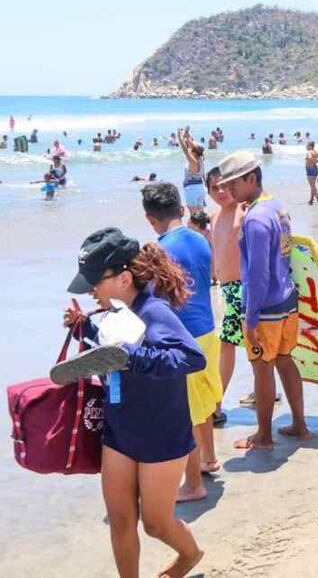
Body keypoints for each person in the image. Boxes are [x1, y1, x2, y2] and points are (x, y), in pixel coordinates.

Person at [63, 228, 206, 578]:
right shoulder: (114, 313)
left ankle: (190, 555)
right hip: (120, 431)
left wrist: (130, 356)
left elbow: (192, 358)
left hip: (161, 434)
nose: (91, 292)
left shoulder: (155, 311)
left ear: (124, 278)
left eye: (95, 283)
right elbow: (115, 345)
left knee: (155, 525)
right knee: (121, 521)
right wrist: (87, 331)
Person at [216, 151, 309, 449]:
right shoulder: (277, 207)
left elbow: (257, 275)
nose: (227, 190)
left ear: (251, 178)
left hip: (265, 309)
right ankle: (299, 424)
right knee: (284, 359)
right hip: (287, 301)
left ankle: (264, 436)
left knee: (262, 367)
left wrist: (249, 318)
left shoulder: (254, 219)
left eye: (233, 184)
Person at [140, 182, 223, 502]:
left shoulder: (160, 251)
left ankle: (193, 485)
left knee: (183, 414)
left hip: (181, 340)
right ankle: (209, 459)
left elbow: (152, 299)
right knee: (201, 405)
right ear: (181, 208)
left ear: (150, 218)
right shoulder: (201, 241)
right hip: (207, 331)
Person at [206, 167, 243, 425]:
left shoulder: (244, 212)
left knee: (227, 346)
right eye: (214, 188)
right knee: (222, 345)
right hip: (221, 289)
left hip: (242, 288)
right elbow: (215, 254)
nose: (220, 192)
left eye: (224, 186)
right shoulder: (215, 216)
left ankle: (217, 404)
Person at [303, 141, 318, 206]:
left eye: (307, 145)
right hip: (315, 168)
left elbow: (309, 157)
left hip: (310, 169)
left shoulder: (309, 152)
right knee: (313, 185)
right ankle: (311, 200)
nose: (306, 146)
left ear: (310, 146)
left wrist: (310, 160)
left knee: (312, 186)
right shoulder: (315, 151)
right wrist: (316, 161)